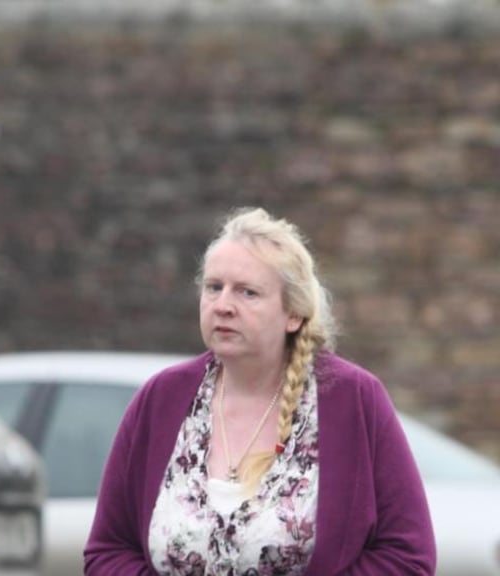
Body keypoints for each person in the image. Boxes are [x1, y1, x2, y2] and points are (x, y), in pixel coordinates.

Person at [84, 207, 435, 575]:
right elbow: (108, 550)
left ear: (294, 314)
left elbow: (408, 555)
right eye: (213, 287)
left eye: (248, 292)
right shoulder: (161, 399)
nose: (223, 306)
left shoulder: (352, 399)